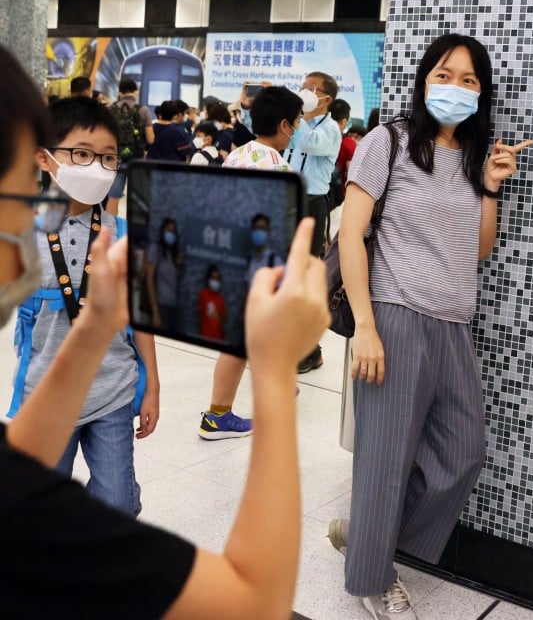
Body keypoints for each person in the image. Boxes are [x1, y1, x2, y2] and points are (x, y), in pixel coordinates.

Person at [1, 44, 329, 616]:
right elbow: (252, 603)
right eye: (20, 194)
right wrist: (274, 368)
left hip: (110, 394)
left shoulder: (116, 230)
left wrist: (103, 325)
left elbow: (19, 473)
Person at [327, 33, 533, 619]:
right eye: (445, 74)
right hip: (394, 315)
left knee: (463, 454)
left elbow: (479, 251)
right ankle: (371, 576)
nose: (456, 87)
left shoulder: (472, 157)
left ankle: (367, 533)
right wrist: (365, 325)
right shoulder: (386, 141)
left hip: (453, 322)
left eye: (470, 80)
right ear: (424, 79)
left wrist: (491, 187)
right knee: (385, 460)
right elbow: (350, 235)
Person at [7, 96, 161, 517]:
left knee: (118, 505)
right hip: (47, 395)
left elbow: (142, 316)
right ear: (45, 157)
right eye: (81, 153)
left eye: (107, 158)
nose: (95, 167)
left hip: (112, 390)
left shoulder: (124, 235)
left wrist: (154, 387)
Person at [199, 86, 302, 441]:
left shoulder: (236, 154)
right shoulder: (279, 166)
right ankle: (231, 410)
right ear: (286, 125)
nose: (299, 128)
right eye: (298, 121)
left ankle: (219, 414)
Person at [285, 72, 342, 374]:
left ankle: (310, 351)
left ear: (325, 99)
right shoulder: (299, 123)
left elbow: (309, 143)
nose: (303, 92)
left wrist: (298, 116)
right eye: (302, 87)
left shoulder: (330, 129)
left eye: (310, 89)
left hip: (312, 203)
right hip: (290, 198)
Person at [108, 79, 154, 215]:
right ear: (135, 91)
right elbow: (151, 139)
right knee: (138, 198)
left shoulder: (111, 109)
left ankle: (112, 228)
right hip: (137, 158)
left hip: (116, 158)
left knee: (113, 196)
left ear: (120, 92)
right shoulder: (143, 110)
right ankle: (134, 229)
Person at [146, 217, 183, 332]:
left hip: (174, 306)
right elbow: (150, 280)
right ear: (163, 231)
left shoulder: (172, 253)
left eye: (173, 231)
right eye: (168, 230)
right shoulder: (156, 249)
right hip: (160, 306)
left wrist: (178, 265)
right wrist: (155, 311)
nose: (170, 234)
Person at [327, 98, 357, 210]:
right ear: (344, 121)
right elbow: (351, 175)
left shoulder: (317, 136)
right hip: (338, 197)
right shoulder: (349, 143)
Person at [197, 264, 226, 341]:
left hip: (217, 337)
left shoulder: (220, 298)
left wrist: (223, 336)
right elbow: (200, 315)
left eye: (217, 279)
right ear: (208, 279)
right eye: (213, 278)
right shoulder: (203, 294)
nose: (215, 281)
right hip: (204, 335)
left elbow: (223, 319)